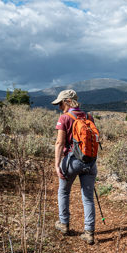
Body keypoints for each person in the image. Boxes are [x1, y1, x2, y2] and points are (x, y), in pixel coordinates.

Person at [52, 89, 98, 245]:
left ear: (67, 101)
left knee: (63, 191)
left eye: (60, 103)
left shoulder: (64, 118)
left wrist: (57, 165)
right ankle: (89, 232)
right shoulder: (88, 116)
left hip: (72, 161)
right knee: (88, 197)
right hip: (90, 161)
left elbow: (59, 143)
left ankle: (64, 224)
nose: (59, 107)